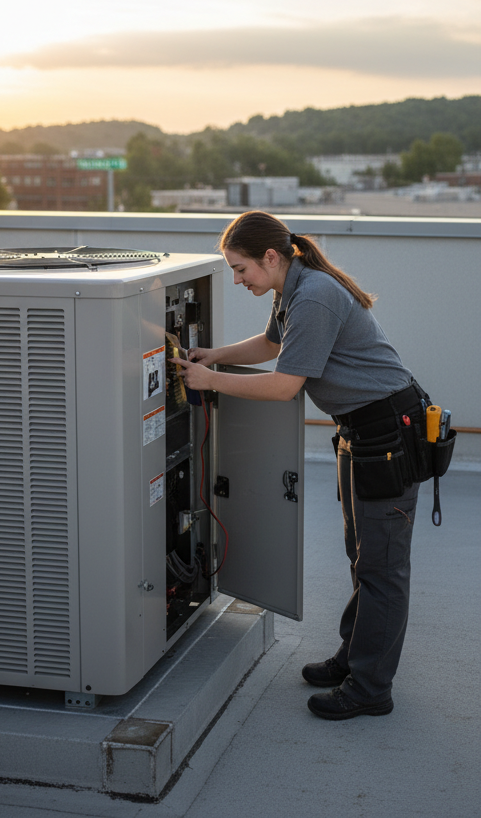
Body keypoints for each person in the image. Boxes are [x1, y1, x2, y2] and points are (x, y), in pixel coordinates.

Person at [172, 210, 431, 721]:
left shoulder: (313, 295)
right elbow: (272, 345)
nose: (238, 279)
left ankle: (370, 688)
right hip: (360, 432)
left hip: (387, 434)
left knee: (381, 567)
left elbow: (284, 384)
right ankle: (353, 659)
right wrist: (211, 356)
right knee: (363, 556)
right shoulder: (291, 288)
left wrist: (212, 382)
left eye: (240, 269)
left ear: (271, 257)